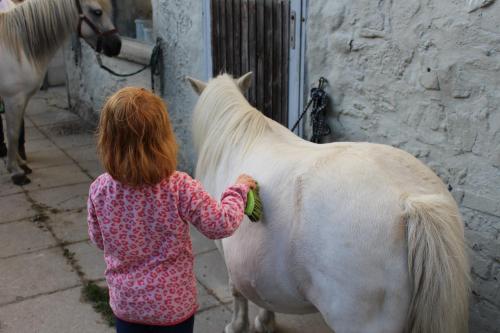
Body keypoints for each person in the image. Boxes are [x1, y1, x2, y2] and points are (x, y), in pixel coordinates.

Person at [87, 87, 256, 333]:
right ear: (164, 139)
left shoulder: (99, 189)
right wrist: (238, 190)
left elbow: (98, 239)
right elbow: (221, 223)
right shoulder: (179, 186)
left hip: (127, 305)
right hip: (172, 308)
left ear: (107, 141)